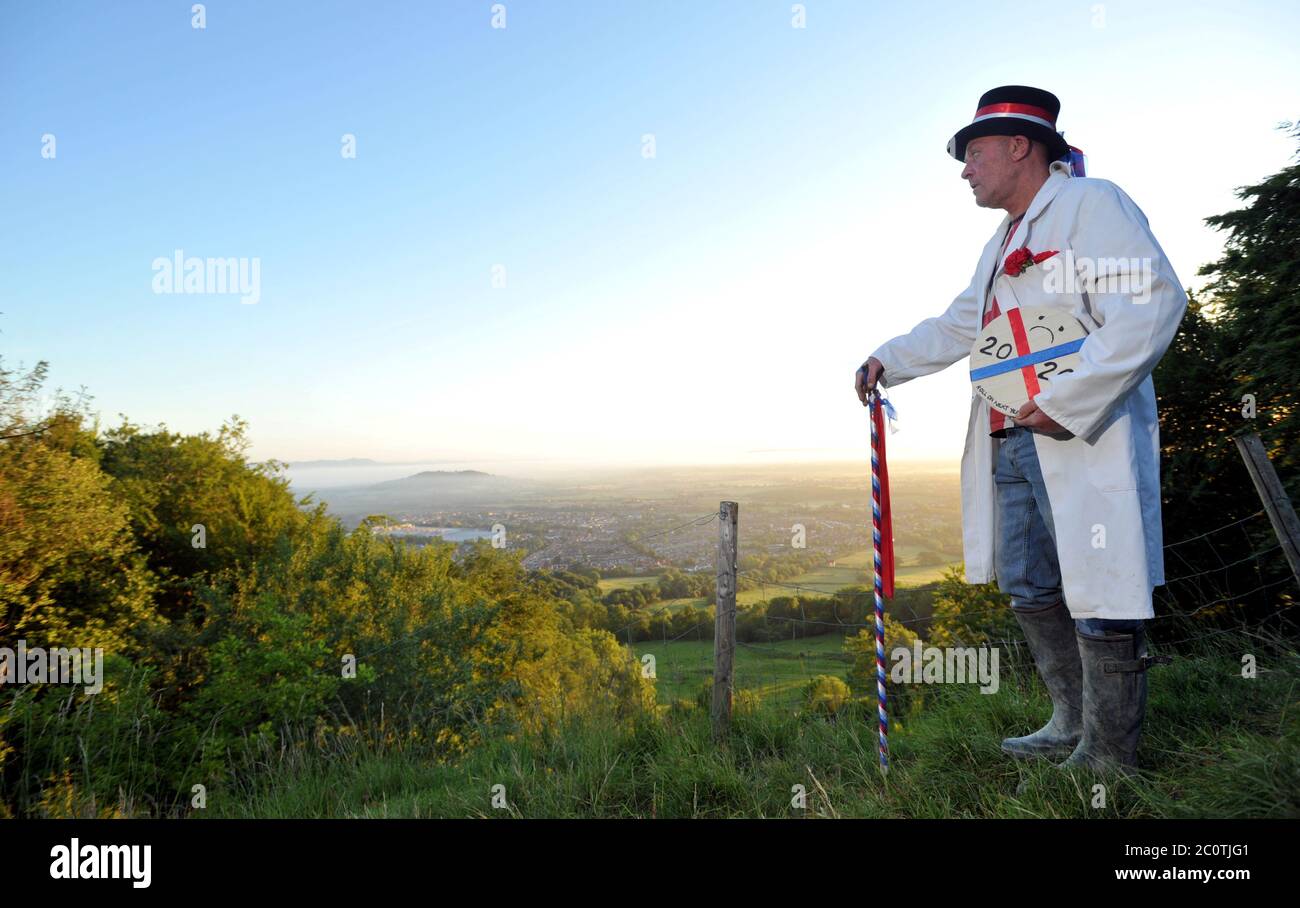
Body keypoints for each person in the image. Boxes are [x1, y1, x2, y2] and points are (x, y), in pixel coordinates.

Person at [854, 86, 1187, 775]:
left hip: (1078, 435)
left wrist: (1066, 400)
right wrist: (889, 357)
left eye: (973, 153)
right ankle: (1069, 722)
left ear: (1018, 147)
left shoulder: (1093, 207)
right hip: (1007, 440)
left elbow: (1150, 303)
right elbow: (959, 326)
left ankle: (1110, 754)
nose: (965, 169)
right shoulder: (1001, 239)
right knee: (1031, 587)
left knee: (1100, 587)